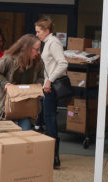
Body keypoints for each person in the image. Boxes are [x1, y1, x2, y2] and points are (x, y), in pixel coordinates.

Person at [0, 34, 44, 130]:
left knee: (25, 133)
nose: (39, 52)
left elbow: (41, 77)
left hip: (25, 106)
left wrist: (37, 86)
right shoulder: (9, 59)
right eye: (37, 49)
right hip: (6, 105)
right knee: (7, 138)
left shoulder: (38, 62)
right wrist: (5, 83)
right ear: (27, 48)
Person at [35, 18, 68, 169]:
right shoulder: (47, 43)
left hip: (51, 87)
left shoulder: (53, 42)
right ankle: (51, 154)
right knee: (47, 118)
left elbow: (62, 63)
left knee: (50, 118)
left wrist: (49, 81)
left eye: (38, 31)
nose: (37, 35)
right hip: (47, 86)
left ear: (47, 30)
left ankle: (54, 157)